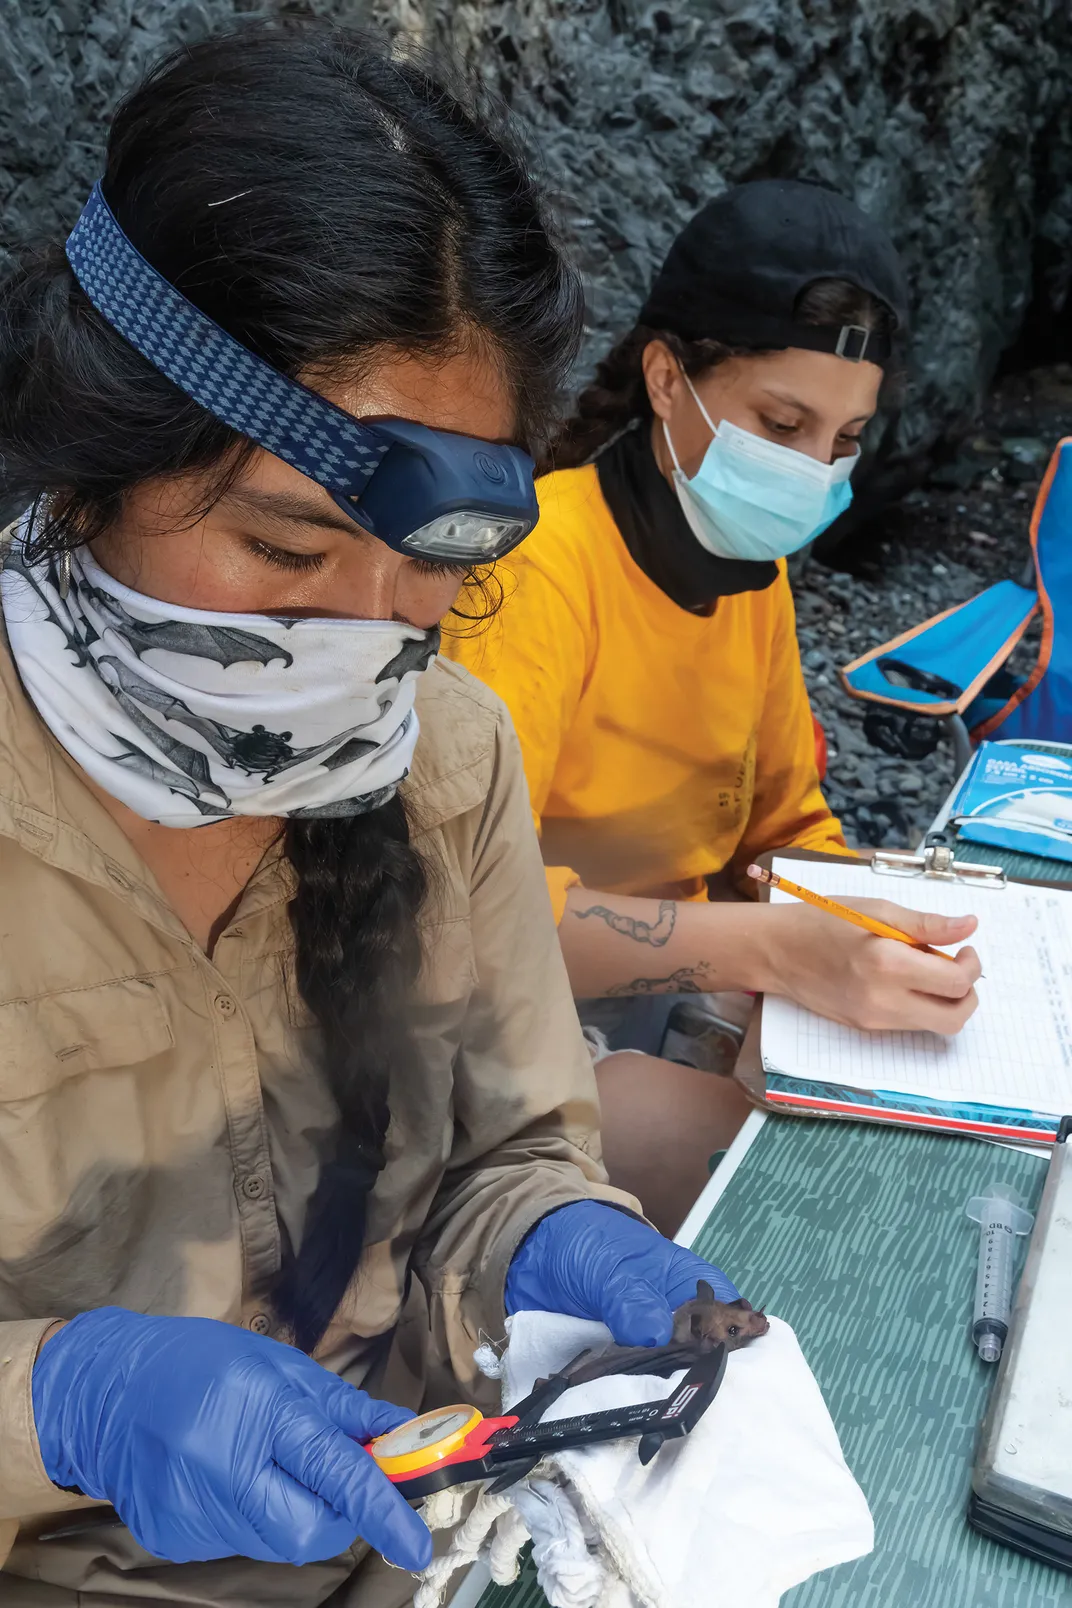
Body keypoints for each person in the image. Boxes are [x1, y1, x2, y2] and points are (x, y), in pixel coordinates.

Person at [0, 29, 741, 1607]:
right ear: (84, 469)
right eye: (287, 552)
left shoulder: (445, 758)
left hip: (427, 1550)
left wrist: (546, 1237)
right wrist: (56, 1402)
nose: (372, 638)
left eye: (438, 569)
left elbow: (509, 1151)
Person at [447, 182, 982, 1228]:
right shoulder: (530, 578)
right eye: (781, 423)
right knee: (817, 1189)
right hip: (501, 1027)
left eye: (843, 439)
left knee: (919, 1102)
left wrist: (882, 925)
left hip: (684, 983)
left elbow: (785, 829)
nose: (810, 471)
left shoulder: (750, 569)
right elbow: (475, 919)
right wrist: (779, 951)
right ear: (665, 377)